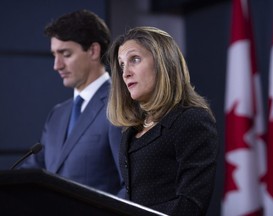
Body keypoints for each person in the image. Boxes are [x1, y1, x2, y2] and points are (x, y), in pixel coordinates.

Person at [107, 26, 218, 215]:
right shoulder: (131, 129)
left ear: (163, 62)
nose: (126, 73)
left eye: (134, 59)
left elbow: (190, 205)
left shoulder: (192, 120)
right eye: (122, 65)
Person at [20, 9, 124, 197]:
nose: (57, 65)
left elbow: (130, 187)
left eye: (65, 54)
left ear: (93, 50)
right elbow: (32, 172)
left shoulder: (120, 105)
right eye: (54, 55)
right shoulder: (57, 114)